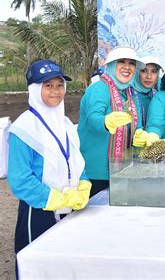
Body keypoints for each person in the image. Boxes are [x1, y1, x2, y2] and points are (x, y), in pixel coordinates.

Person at [8, 59, 91, 254]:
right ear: (35, 89)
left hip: (70, 209)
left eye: (60, 85)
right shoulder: (23, 128)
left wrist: (84, 184)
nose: (56, 91)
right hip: (38, 212)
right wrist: (56, 199)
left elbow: (75, 160)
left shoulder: (65, 123)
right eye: (48, 85)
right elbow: (20, 179)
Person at [78, 46, 151, 197]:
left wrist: (140, 135)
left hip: (121, 170)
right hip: (95, 173)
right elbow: (92, 120)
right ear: (110, 66)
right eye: (121, 62)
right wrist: (106, 122)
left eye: (131, 63)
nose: (127, 66)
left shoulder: (130, 93)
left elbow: (136, 124)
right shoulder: (99, 88)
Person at [131, 56, 162, 127]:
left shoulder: (159, 94)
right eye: (143, 71)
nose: (149, 76)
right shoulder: (126, 93)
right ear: (136, 72)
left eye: (154, 71)